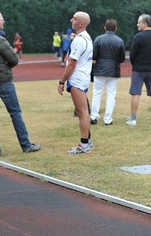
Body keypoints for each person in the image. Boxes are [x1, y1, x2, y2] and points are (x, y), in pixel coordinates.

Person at [0, 8, 41, 158]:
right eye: (2, 20)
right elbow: (14, 59)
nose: (3, 22)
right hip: (3, 81)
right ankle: (26, 145)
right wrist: (4, 64)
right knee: (15, 113)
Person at [58, 11, 93, 154]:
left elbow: (72, 64)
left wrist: (62, 81)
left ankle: (84, 145)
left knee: (82, 112)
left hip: (77, 79)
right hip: (82, 77)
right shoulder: (86, 37)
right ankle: (87, 141)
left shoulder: (79, 40)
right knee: (82, 111)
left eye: (75, 18)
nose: (71, 20)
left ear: (81, 24)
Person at [126, 14, 151, 126]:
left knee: (135, 93)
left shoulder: (138, 37)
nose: (137, 24)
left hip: (139, 69)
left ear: (144, 24)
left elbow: (132, 54)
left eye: (139, 22)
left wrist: (135, 64)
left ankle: (133, 119)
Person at [90, 19, 126, 126]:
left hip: (100, 69)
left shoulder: (98, 39)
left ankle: (94, 117)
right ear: (116, 29)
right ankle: (108, 119)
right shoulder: (120, 41)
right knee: (111, 95)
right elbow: (122, 58)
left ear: (105, 28)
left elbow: (94, 55)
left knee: (97, 94)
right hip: (113, 70)